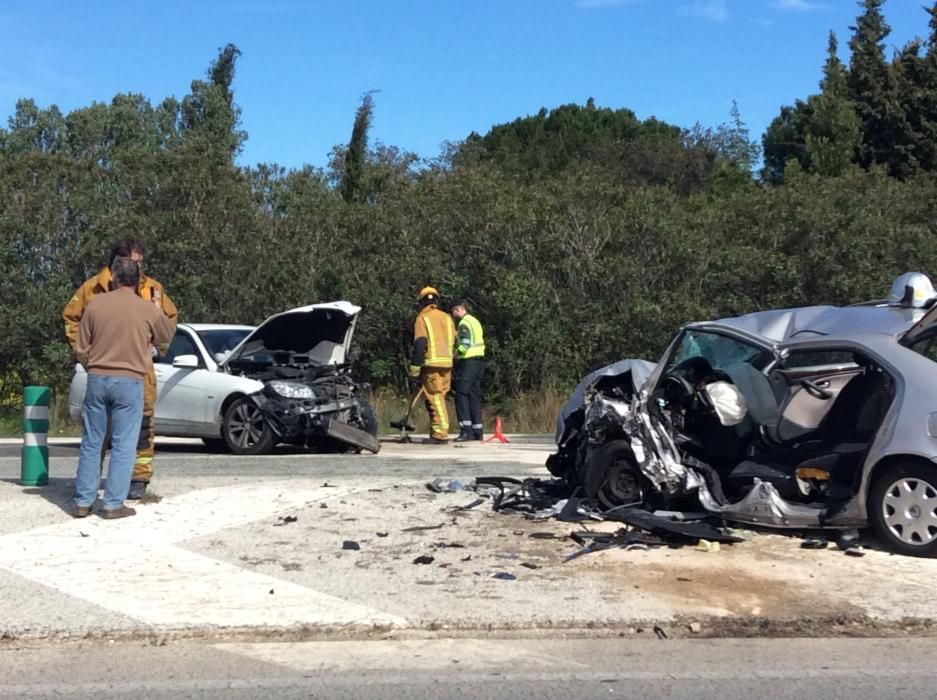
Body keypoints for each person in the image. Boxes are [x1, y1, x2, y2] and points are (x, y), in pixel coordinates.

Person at [63, 239, 177, 500]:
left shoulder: (153, 289)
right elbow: (71, 319)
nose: (137, 268)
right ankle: (106, 497)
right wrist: (87, 356)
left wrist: (157, 350)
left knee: (142, 428)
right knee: (100, 435)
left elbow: (169, 323)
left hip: (138, 369)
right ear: (116, 264)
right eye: (132, 262)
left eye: (139, 262)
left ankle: (136, 479)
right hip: (104, 368)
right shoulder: (92, 289)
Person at [408, 286, 456, 444]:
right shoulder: (447, 318)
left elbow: (420, 343)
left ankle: (440, 433)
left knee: (434, 398)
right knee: (440, 397)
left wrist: (414, 369)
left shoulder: (423, 318)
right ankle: (437, 430)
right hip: (447, 364)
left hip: (432, 365)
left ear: (422, 302)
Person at [450, 300, 486, 442]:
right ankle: (478, 430)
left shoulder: (464, 323)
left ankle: (466, 430)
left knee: (461, 394)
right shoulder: (475, 321)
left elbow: (465, 344)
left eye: (453, 312)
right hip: (479, 361)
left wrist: (455, 354)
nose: (453, 315)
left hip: (469, 361)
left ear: (458, 310)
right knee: (474, 395)